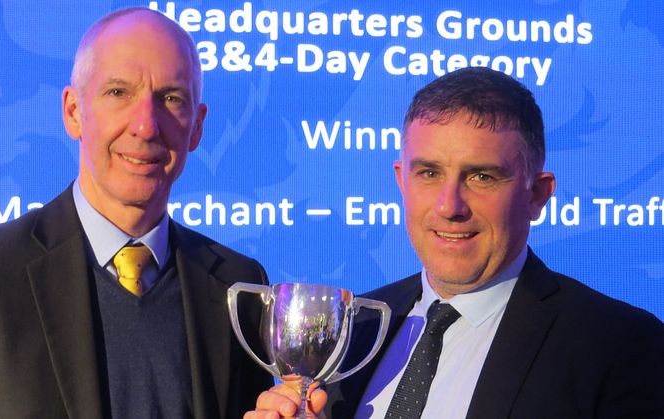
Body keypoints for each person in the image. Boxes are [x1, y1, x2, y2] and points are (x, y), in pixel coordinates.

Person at [245, 67, 664, 418]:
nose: (449, 206)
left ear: (537, 194)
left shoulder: (621, 347)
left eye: (481, 176)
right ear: (401, 181)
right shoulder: (354, 329)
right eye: (428, 173)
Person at [0, 7, 272, 419]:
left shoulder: (239, 286)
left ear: (197, 127)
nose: (145, 126)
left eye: (171, 98)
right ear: (73, 112)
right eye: (118, 92)